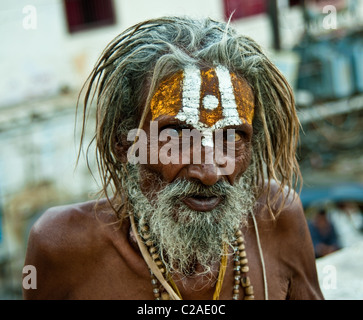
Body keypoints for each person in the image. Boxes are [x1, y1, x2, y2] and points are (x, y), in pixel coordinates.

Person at [23, 16, 323, 300]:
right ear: (123, 143)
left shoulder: (277, 217)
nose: (209, 172)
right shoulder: (60, 246)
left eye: (231, 137)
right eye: (177, 135)